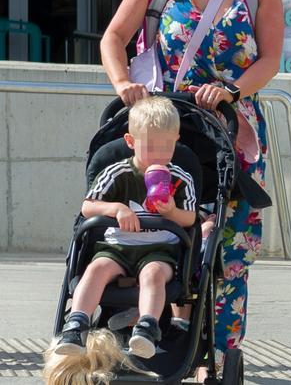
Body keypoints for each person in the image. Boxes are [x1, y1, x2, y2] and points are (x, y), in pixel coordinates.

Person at [99, 0, 284, 374]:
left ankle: (218, 359)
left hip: (231, 132)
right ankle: (159, 338)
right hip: (161, 129)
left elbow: (270, 60)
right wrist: (124, 85)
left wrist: (233, 89)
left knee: (231, 246)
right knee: (160, 228)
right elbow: (114, 36)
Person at [54, 97, 198, 360]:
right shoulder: (116, 172)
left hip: (158, 249)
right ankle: (76, 324)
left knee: (154, 275)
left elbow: (190, 219)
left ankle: (146, 328)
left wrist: (171, 212)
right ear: (131, 142)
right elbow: (88, 206)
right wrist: (116, 209)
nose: (158, 153)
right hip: (117, 246)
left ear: (176, 139)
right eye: (150, 146)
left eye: (166, 146)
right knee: (96, 269)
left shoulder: (180, 177)